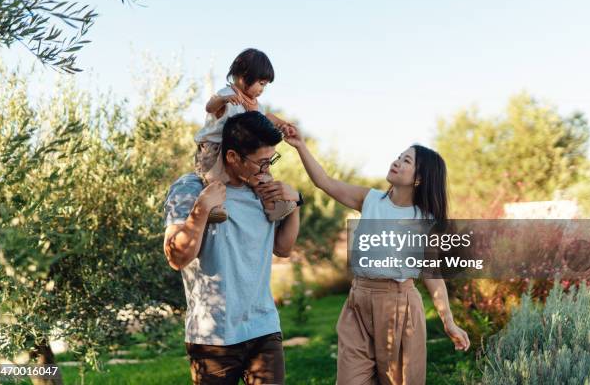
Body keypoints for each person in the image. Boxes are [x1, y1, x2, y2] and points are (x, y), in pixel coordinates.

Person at [283, 125, 470, 385]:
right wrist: (300, 145)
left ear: (420, 178)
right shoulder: (370, 199)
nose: (397, 161)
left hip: (399, 306)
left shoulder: (425, 220)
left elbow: (432, 274)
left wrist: (448, 321)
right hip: (358, 303)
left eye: (406, 161)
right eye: (399, 156)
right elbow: (324, 182)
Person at [163, 112, 303, 384]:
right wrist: (202, 209)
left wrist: (295, 205)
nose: (267, 170)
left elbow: (283, 249)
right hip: (213, 335)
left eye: (270, 161)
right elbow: (176, 257)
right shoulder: (190, 188)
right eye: (261, 163)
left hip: (263, 328)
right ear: (232, 157)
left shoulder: (263, 192)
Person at [194, 48, 297, 223]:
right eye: (261, 83)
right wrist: (223, 100)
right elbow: (210, 106)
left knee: (262, 174)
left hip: (242, 150)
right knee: (213, 178)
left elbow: (267, 117)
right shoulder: (228, 94)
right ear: (243, 76)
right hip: (213, 146)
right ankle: (213, 208)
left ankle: (271, 206)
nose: (262, 89)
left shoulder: (256, 104)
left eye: (265, 85)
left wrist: (283, 124)